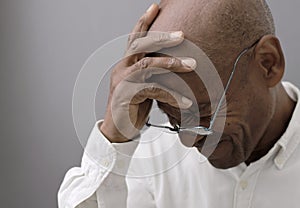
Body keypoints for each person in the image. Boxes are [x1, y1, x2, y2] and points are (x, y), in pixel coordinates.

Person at [58, 0, 300, 207]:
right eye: (174, 119)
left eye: (205, 112)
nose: (187, 140)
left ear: (269, 64)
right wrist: (114, 135)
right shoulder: (149, 163)